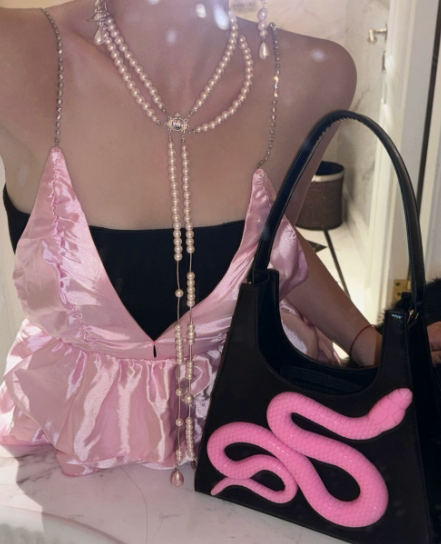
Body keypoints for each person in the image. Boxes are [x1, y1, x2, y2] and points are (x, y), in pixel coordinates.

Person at [0, 0, 439, 479]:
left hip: (262, 438)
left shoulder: (316, 73)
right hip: (71, 439)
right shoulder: (16, 49)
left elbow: (278, 249)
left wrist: (369, 344)